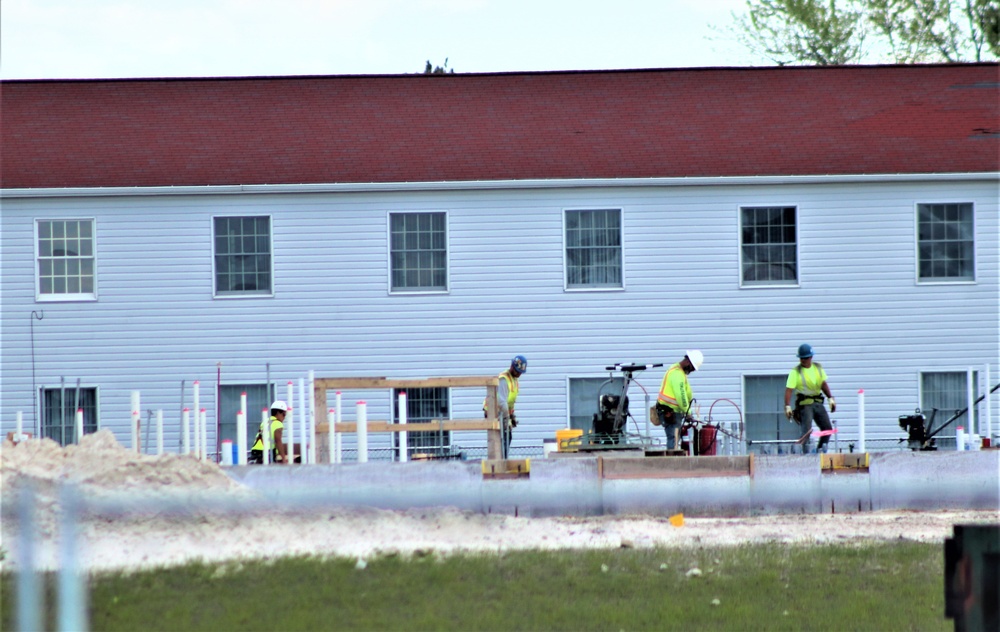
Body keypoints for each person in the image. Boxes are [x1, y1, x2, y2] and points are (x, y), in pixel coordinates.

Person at [784, 344, 836, 454]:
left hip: (817, 402)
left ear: (811, 357)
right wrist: (787, 406)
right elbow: (789, 389)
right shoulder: (796, 372)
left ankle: (820, 452)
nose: (803, 360)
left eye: (806, 358)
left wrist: (830, 398)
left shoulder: (817, 368)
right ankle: (804, 455)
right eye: (801, 358)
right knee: (806, 432)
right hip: (805, 404)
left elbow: (823, 384)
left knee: (827, 429)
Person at [655, 350, 703, 449]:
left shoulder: (678, 371)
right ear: (688, 362)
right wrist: (688, 412)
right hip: (669, 412)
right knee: (673, 437)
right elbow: (681, 396)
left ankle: (674, 458)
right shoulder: (677, 374)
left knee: (675, 438)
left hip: (672, 411)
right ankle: (672, 461)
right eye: (692, 368)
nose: (691, 371)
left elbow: (687, 392)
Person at [484, 355, 527, 459]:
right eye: (517, 371)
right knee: (501, 437)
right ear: (512, 367)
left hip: (503, 411)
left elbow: (510, 401)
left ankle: (503, 459)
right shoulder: (504, 379)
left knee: (507, 436)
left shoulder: (514, 381)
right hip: (493, 411)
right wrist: (507, 419)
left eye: (520, 372)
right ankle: (500, 460)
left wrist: (512, 416)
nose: (519, 374)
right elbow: (502, 401)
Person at [249, 400, 289, 464]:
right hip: (267, 452)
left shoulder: (265, 421)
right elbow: (278, 440)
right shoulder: (278, 423)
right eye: (284, 414)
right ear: (278, 413)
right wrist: (284, 459)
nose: (284, 417)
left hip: (255, 451)